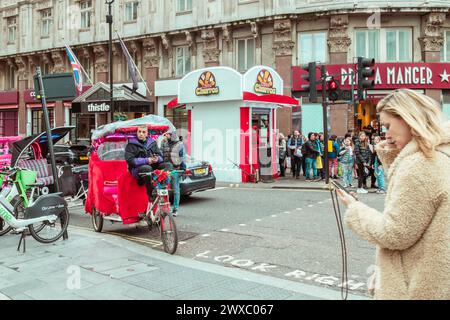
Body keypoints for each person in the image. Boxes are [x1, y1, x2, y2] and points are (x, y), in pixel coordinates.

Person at [337, 89, 450, 300]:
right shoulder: (441, 153)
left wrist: (355, 209)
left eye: (388, 126)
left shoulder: (419, 165)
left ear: (409, 119)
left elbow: (394, 233)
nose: (385, 134)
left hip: (415, 288)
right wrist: (393, 154)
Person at [125, 124, 164, 202]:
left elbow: (161, 157)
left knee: (167, 165)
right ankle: (151, 194)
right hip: (137, 170)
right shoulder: (131, 144)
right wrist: (147, 160)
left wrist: (157, 159)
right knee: (147, 168)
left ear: (147, 133)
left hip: (152, 166)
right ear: (137, 132)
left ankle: (163, 187)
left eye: (143, 132)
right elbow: (130, 160)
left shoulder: (152, 143)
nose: (141, 134)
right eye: (139, 131)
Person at [161, 130, 186, 217]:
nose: (165, 135)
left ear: (171, 135)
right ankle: (164, 207)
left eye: (167, 134)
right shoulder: (163, 143)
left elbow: (182, 157)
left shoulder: (179, 144)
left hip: (175, 170)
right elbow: (161, 155)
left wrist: (183, 170)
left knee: (175, 190)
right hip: (165, 170)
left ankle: (175, 209)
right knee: (162, 188)